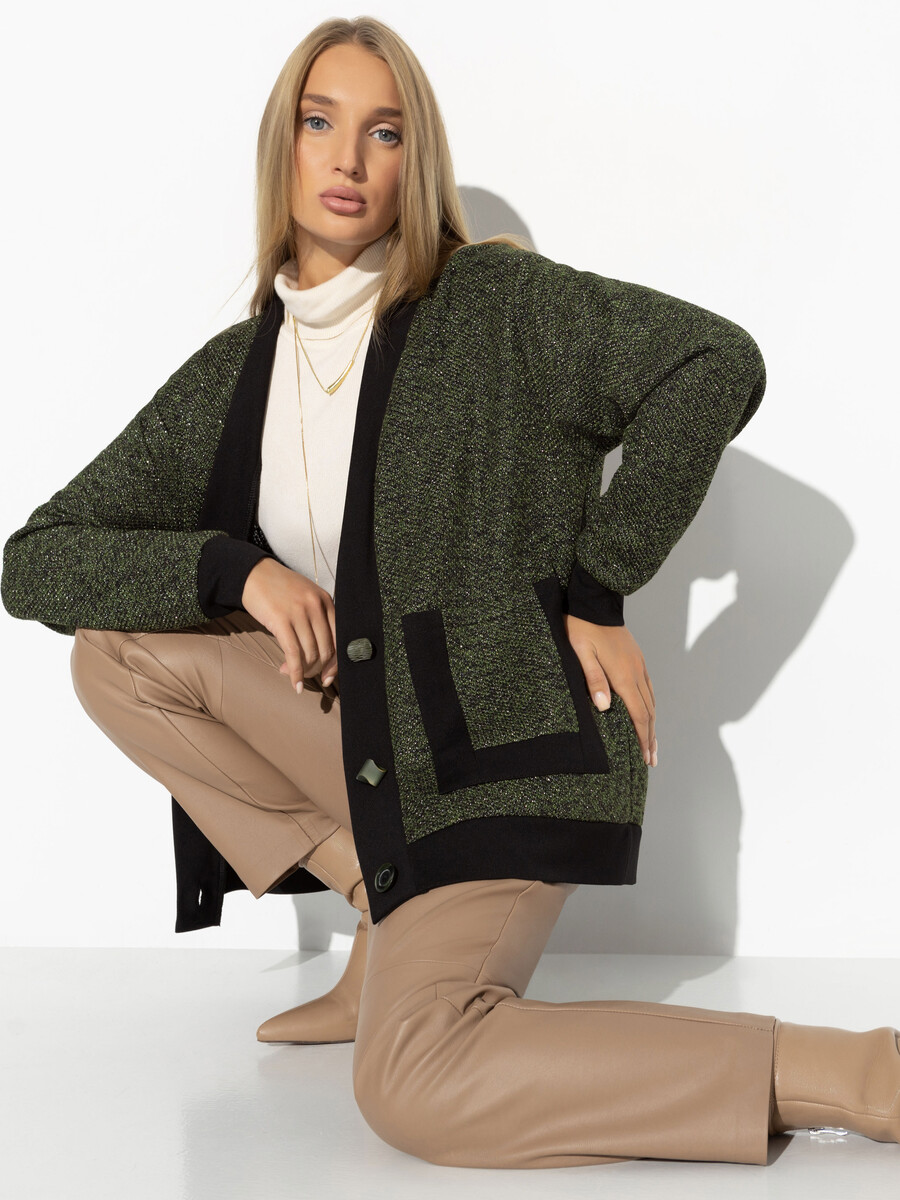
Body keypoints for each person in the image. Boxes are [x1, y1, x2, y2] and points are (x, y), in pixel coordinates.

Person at [2, 13, 898, 1172]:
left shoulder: (491, 306)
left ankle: (861, 1074)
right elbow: (36, 560)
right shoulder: (235, 376)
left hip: (498, 752)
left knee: (415, 1086)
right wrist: (236, 570)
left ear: (413, 160)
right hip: (379, 749)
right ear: (281, 146)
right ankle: (384, 907)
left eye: (385, 133)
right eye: (319, 124)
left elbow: (710, 362)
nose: (348, 159)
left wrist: (599, 588)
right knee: (116, 654)